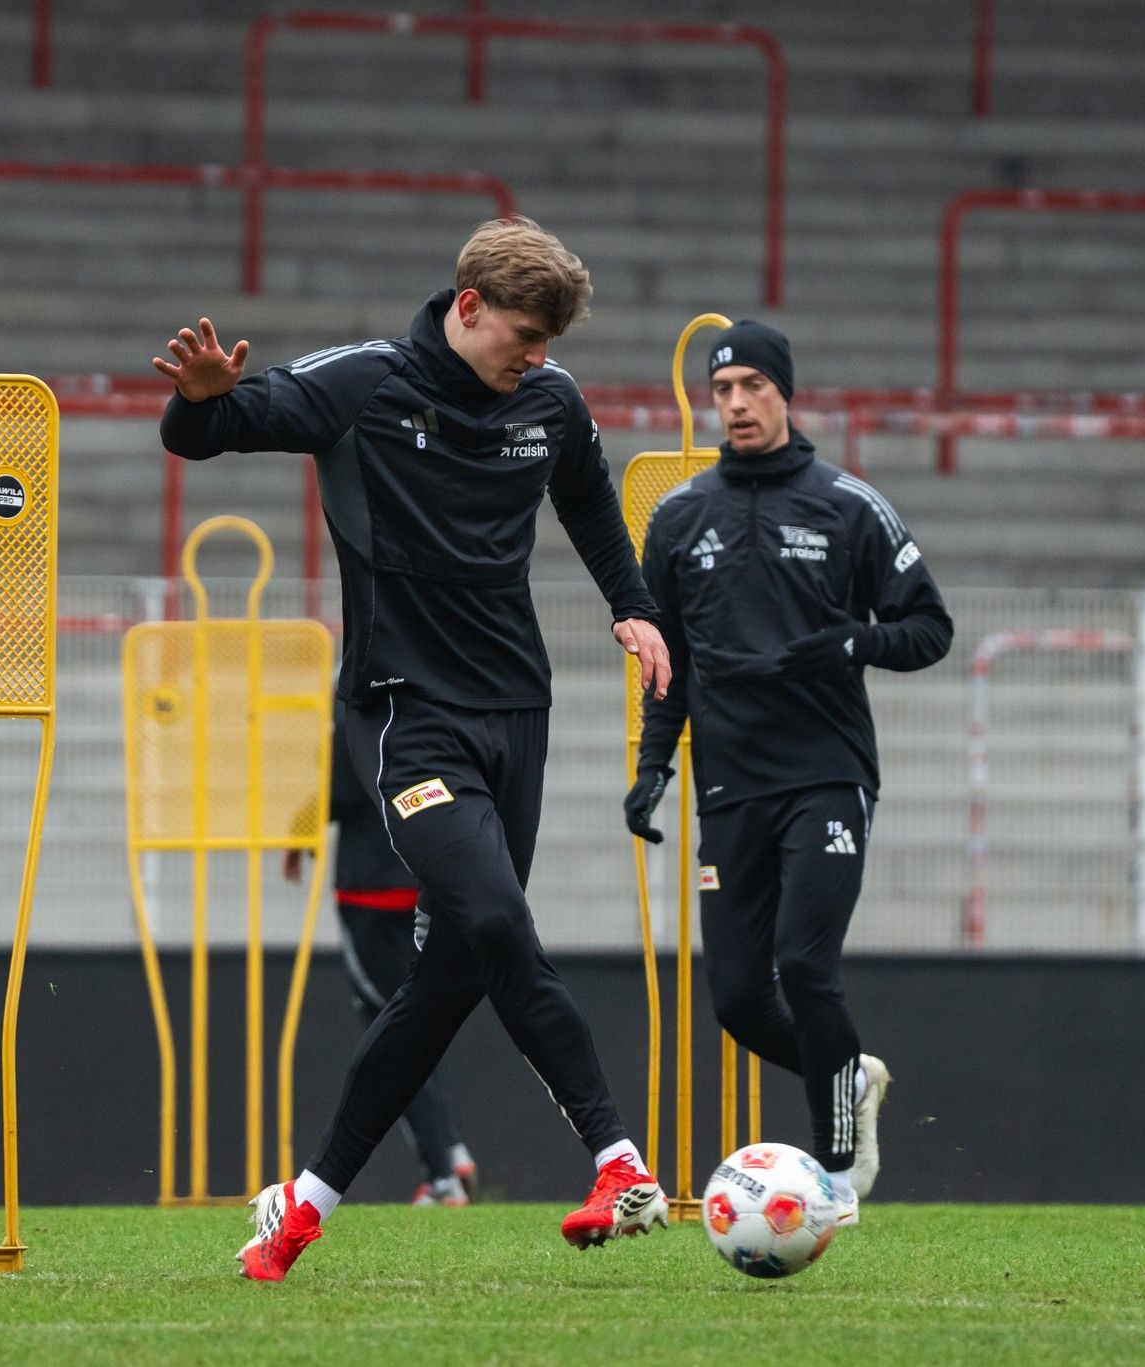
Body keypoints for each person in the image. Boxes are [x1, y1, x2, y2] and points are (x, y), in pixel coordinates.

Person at [155, 217, 674, 1282]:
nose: (536, 356)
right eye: (523, 335)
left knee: (448, 977)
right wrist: (200, 393)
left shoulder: (552, 401)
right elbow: (207, 432)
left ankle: (300, 1204)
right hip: (406, 710)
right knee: (490, 917)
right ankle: (620, 1158)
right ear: (468, 305)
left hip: (516, 714)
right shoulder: (363, 383)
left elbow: (586, 494)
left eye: (549, 342)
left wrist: (632, 606)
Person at [624, 320, 952, 1225]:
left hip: (826, 776)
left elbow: (930, 628)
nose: (736, 403)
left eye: (753, 387)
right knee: (737, 998)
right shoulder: (680, 518)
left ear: (784, 395)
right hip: (731, 786)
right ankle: (849, 1074)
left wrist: (853, 638)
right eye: (723, 389)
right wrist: (655, 766)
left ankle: (838, 1174)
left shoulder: (849, 504)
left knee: (805, 966)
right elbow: (669, 663)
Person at [282, 701, 478, 1207]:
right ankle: (451, 1148)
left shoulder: (354, 697)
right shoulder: (423, 691)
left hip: (367, 887)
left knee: (391, 1029)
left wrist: (299, 824)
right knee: (419, 1016)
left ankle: (442, 1175)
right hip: (420, 878)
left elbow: (343, 788)